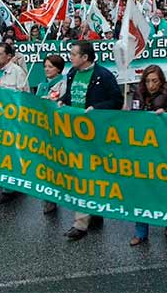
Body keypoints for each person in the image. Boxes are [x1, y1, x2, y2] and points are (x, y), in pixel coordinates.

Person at [60, 41, 123, 241]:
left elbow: (117, 101)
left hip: (95, 135)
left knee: (86, 176)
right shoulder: (71, 73)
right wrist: (63, 101)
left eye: (73, 54)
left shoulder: (103, 76)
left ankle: (80, 224)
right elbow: (71, 96)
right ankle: (93, 212)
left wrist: (97, 108)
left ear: (85, 57)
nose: (70, 57)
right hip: (75, 133)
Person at [129, 65, 167, 246]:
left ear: (161, 81)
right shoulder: (138, 94)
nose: (151, 85)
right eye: (148, 81)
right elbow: (134, 119)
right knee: (141, 190)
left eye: (155, 81)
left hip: (162, 150)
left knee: (163, 188)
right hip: (142, 149)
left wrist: (166, 116)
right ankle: (141, 232)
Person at [0, 42, 31, 205]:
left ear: (9, 56)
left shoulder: (17, 72)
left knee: (11, 154)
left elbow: (25, 97)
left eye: (0, 54)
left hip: (13, 122)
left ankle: (9, 188)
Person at [35, 54, 68, 214]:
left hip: (57, 130)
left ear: (59, 69)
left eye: (50, 67)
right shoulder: (42, 85)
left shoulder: (63, 84)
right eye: (45, 66)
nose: (47, 69)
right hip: (43, 128)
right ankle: (49, 198)